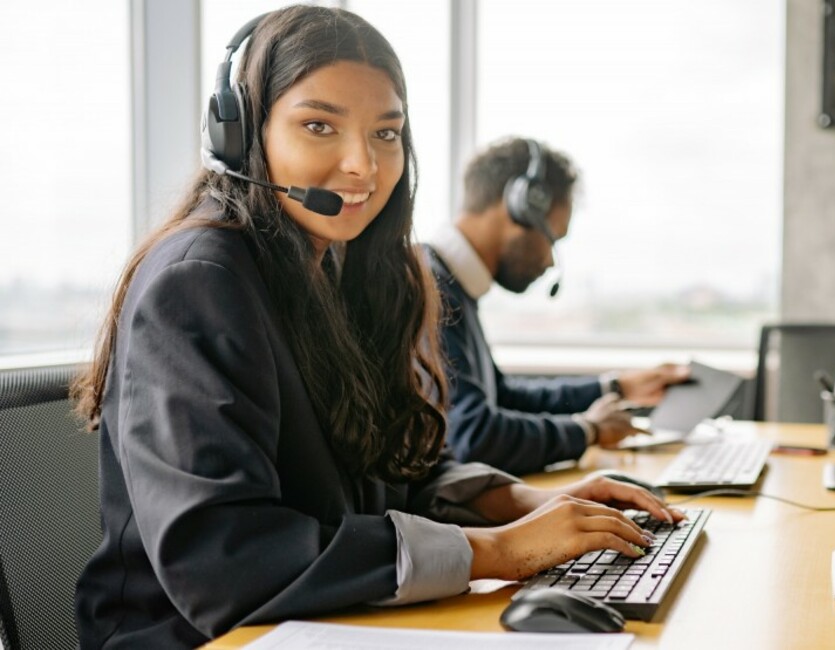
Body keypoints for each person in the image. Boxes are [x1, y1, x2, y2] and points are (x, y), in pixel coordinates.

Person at [71, 7, 680, 648]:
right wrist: (492, 551)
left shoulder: (337, 269)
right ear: (241, 131)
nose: (363, 165)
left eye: (386, 134)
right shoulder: (198, 282)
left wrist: (518, 505)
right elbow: (222, 561)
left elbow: (394, 469)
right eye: (318, 125)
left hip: (321, 624)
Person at [425, 138, 690, 476]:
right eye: (553, 238)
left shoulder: (453, 283)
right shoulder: (430, 289)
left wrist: (616, 387)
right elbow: (473, 436)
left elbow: (501, 396)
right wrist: (587, 430)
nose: (550, 261)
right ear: (520, 207)